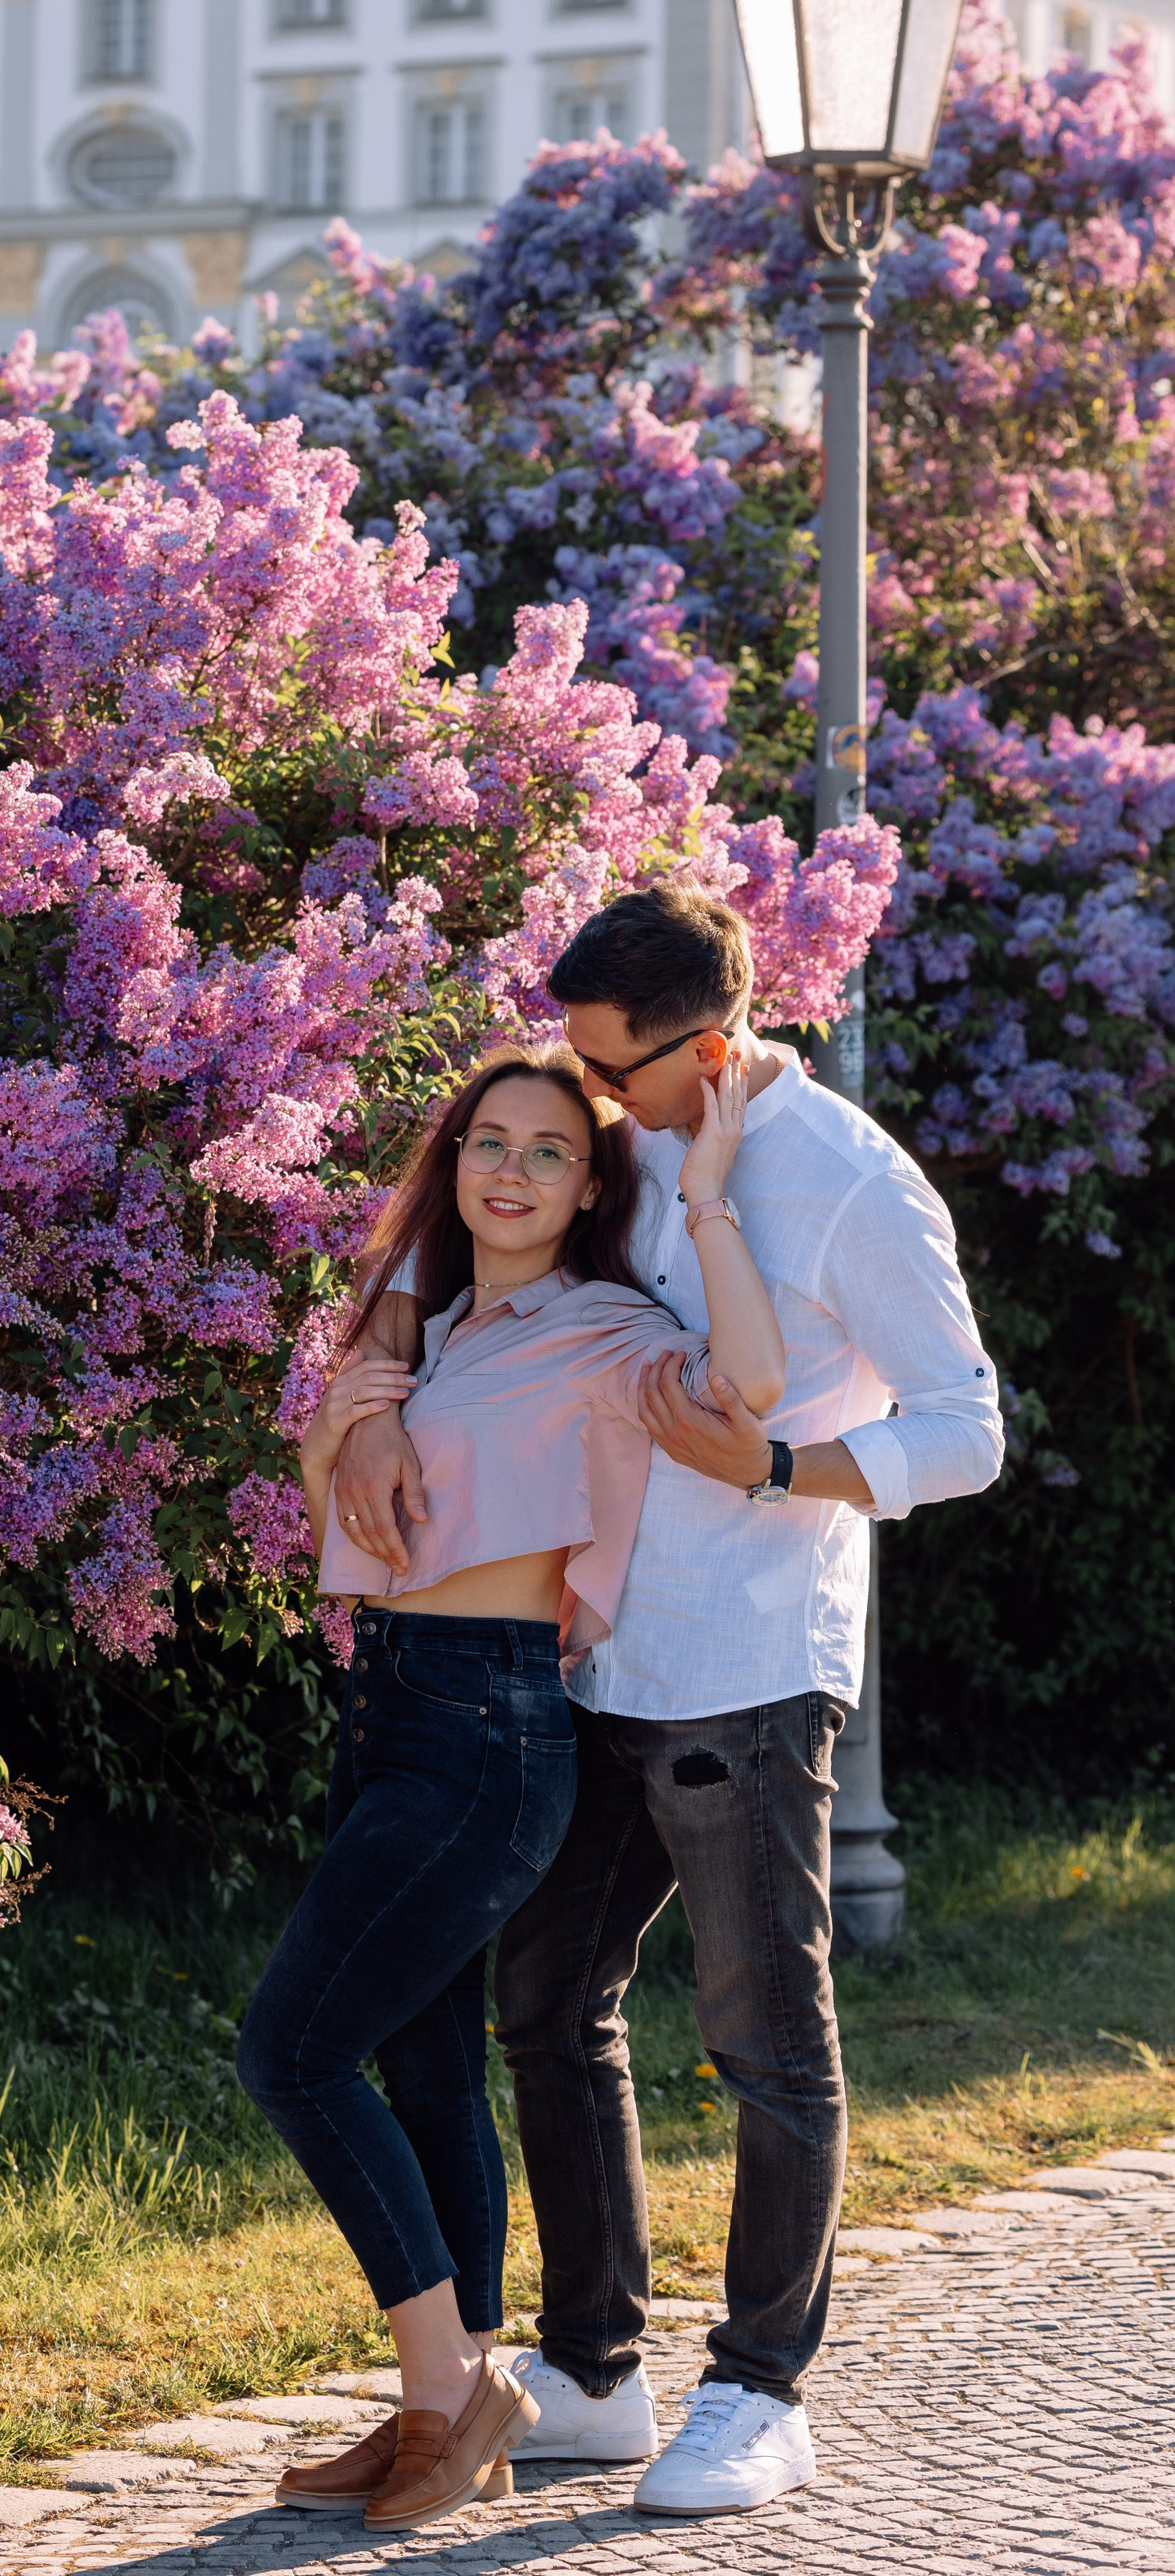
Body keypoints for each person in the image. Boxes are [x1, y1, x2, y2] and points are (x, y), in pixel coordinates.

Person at [331, 885, 1005, 2518]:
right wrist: (376, 1385)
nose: (591, 1097)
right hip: (589, 1649)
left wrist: (782, 1463)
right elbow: (487, 1228)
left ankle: (762, 2387)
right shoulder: (637, 1139)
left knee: (760, 2034)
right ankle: (592, 2368)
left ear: (704, 1047)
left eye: (614, 1068)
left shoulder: (848, 1183)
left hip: (752, 1664)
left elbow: (965, 1425)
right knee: (547, 2001)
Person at [238, 1037, 785, 2534]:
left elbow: (745, 1389)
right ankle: (440, 2405)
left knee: (291, 2053)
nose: (514, 1171)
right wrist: (368, 1412)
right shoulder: (428, 1332)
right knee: (419, 2066)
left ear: (594, 1181)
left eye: (551, 1149)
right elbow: (330, 1498)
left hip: (492, 1724)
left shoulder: (608, 1326)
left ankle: (459, 2390)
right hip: (389, 1700)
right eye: (490, 1142)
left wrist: (717, 1198)